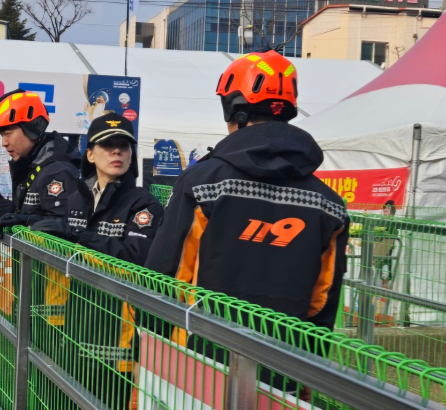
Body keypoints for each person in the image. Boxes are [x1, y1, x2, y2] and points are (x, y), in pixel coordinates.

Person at [145, 50, 349, 372]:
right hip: (284, 367)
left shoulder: (201, 183)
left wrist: (155, 357)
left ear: (234, 108)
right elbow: (321, 302)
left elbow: (167, 273)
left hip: (197, 365)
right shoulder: (330, 205)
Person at [59, 114, 164, 410]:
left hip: (118, 335)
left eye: (124, 145)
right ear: (90, 154)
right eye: (107, 145)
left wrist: (80, 235)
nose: (117, 151)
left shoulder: (145, 204)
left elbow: (137, 256)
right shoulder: (75, 200)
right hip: (75, 325)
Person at [0, 89, 81, 236]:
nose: (4, 143)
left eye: (8, 134)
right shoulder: (30, 165)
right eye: (2, 135)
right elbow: (35, 211)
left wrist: (25, 221)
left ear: (32, 127)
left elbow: (65, 229)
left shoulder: (58, 172)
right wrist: (10, 210)